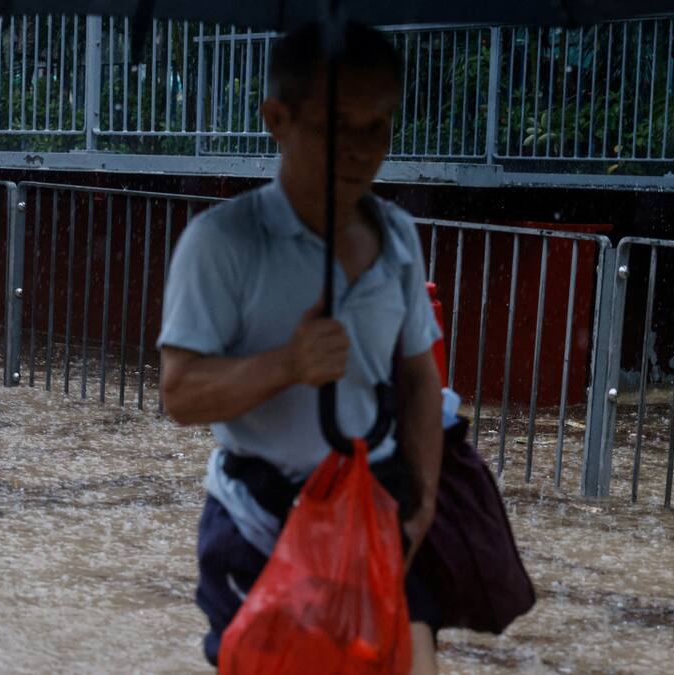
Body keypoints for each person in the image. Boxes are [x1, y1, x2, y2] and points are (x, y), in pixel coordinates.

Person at [158, 21, 446, 674]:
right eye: (338, 125)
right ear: (277, 120)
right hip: (258, 519)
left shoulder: (398, 237)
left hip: (376, 507)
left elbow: (419, 376)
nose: (362, 149)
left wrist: (424, 501)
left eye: (379, 126)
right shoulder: (221, 242)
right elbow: (179, 393)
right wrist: (286, 364)